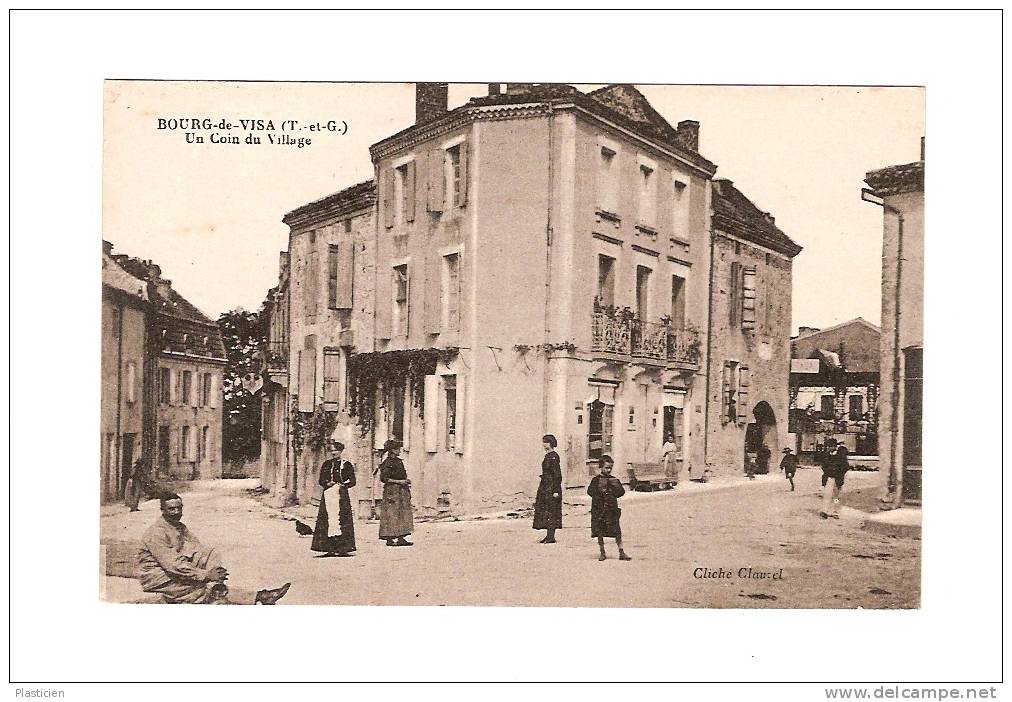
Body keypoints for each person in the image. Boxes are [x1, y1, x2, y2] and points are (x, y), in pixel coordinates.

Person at [137, 493, 290, 604]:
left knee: (210, 552)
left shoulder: (179, 527)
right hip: (160, 578)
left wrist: (214, 572)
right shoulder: (156, 533)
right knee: (203, 592)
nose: (176, 512)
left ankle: (217, 586)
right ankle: (260, 596)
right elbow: (173, 565)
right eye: (171, 509)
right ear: (162, 510)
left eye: (179, 508)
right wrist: (206, 575)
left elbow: (198, 549)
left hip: (175, 573)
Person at [312, 440, 357, 557]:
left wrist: (344, 485)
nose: (333, 453)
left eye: (336, 450)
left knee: (342, 519)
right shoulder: (326, 465)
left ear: (341, 451)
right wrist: (328, 483)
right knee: (327, 519)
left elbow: (352, 481)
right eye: (331, 451)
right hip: (328, 494)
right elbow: (321, 480)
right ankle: (329, 548)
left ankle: (343, 548)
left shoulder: (346, 465)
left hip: (341, 496)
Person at [587, 455, 631, 562]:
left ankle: (621, 552)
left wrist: (613, 489)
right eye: (606, 467)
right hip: (599, 509)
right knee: (600, 531)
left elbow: (621, 492)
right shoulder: (595, 480)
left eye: (610, 468)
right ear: (601, 467)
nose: (609, 470)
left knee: (616, 530)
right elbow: (590, 492)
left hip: (611, 509)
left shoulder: (613, 479)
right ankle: (602, 552)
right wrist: (600, 493)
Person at [378, 439, 413, 546]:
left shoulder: (398, 461)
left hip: (401, 491)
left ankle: (401, 537)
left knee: (402, 513)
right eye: (398, 449)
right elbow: (384, 478)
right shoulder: (387, 463)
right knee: (391, 514)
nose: (399, 451)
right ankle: (389, 538)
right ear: (392, 450)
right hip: (392, 491)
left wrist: (405, 481)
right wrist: (400, 481)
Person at [533, 434, 563, 544]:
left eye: (545, 442)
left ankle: (551, 536)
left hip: (551, 487)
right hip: (546, 486)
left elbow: (557, 475)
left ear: (550, 443)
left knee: (551, 511)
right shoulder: (548, 456)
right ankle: (548, 535)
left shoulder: (553, 457)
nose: (543, 444)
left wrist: (555, 490)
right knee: (546, 511)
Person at [820, 443, 850, 519]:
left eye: (831, 446)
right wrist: (827, 471)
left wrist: (839, 473)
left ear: (835, 447)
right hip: (828, 478)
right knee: (827, 495)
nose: (829, 448)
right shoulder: (826, 455)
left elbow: (846, 466)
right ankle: (825, 511)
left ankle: (836, 512)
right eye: (828, 446)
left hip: (837, 479)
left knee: (836, 497)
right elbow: (823, 465)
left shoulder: (841, 455)